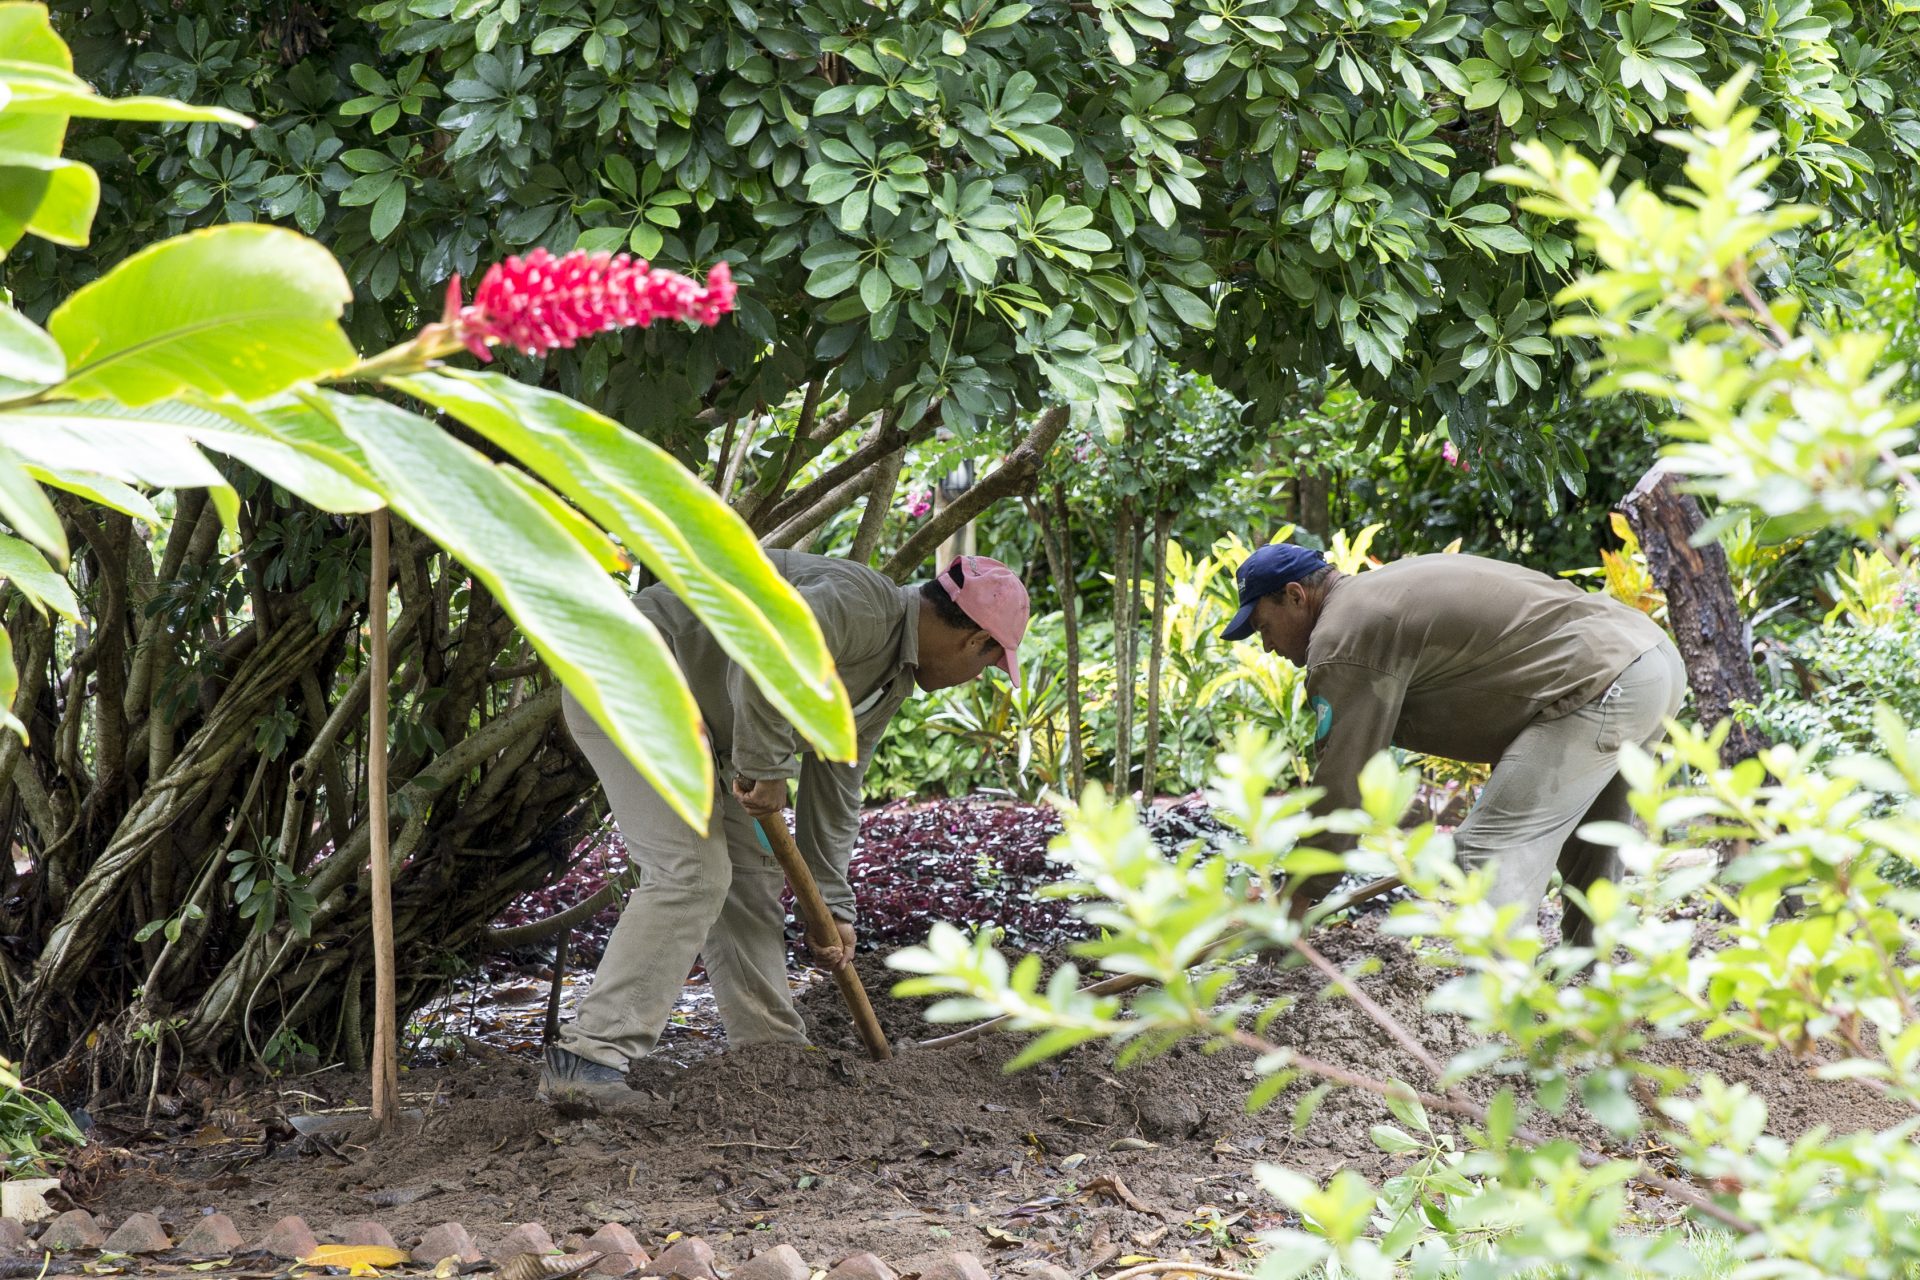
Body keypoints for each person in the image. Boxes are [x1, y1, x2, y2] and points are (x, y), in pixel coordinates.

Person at [539, 552, 1030, 1106]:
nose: (978, 677)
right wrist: (767, 768)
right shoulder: (861, 605)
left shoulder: (892, 676)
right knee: (692, 872)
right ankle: (586, 1059)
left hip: (690, 720)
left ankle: (772, 1054)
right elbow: (763, 656)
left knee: (749, 877)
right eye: (989, 665)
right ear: (974, 642)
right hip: (630, 673)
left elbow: (837, 785)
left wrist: (831, 905)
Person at [1221, 542, 1685, 946]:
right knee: (1592, 846)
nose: (1266, 647)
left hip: (1601, 683)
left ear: (1295, 596)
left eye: (1264, 627)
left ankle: (1497, 1014)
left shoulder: (1342, 637)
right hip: (1648, 658)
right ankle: (1593, 993)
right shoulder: (1378, 595)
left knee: (1488, 851)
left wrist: (1299, 895)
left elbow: (1344, 785)